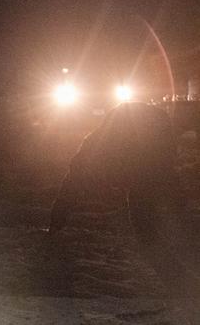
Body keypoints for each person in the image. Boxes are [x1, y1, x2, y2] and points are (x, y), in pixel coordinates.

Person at [49, 101, 180, 243]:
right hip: (150, 148)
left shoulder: (96, 147)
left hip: (143, 149)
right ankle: (150, 234)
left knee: (142, 192)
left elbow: (71, 186)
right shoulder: (109, 136)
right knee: (144, 193)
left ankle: (149, 235)